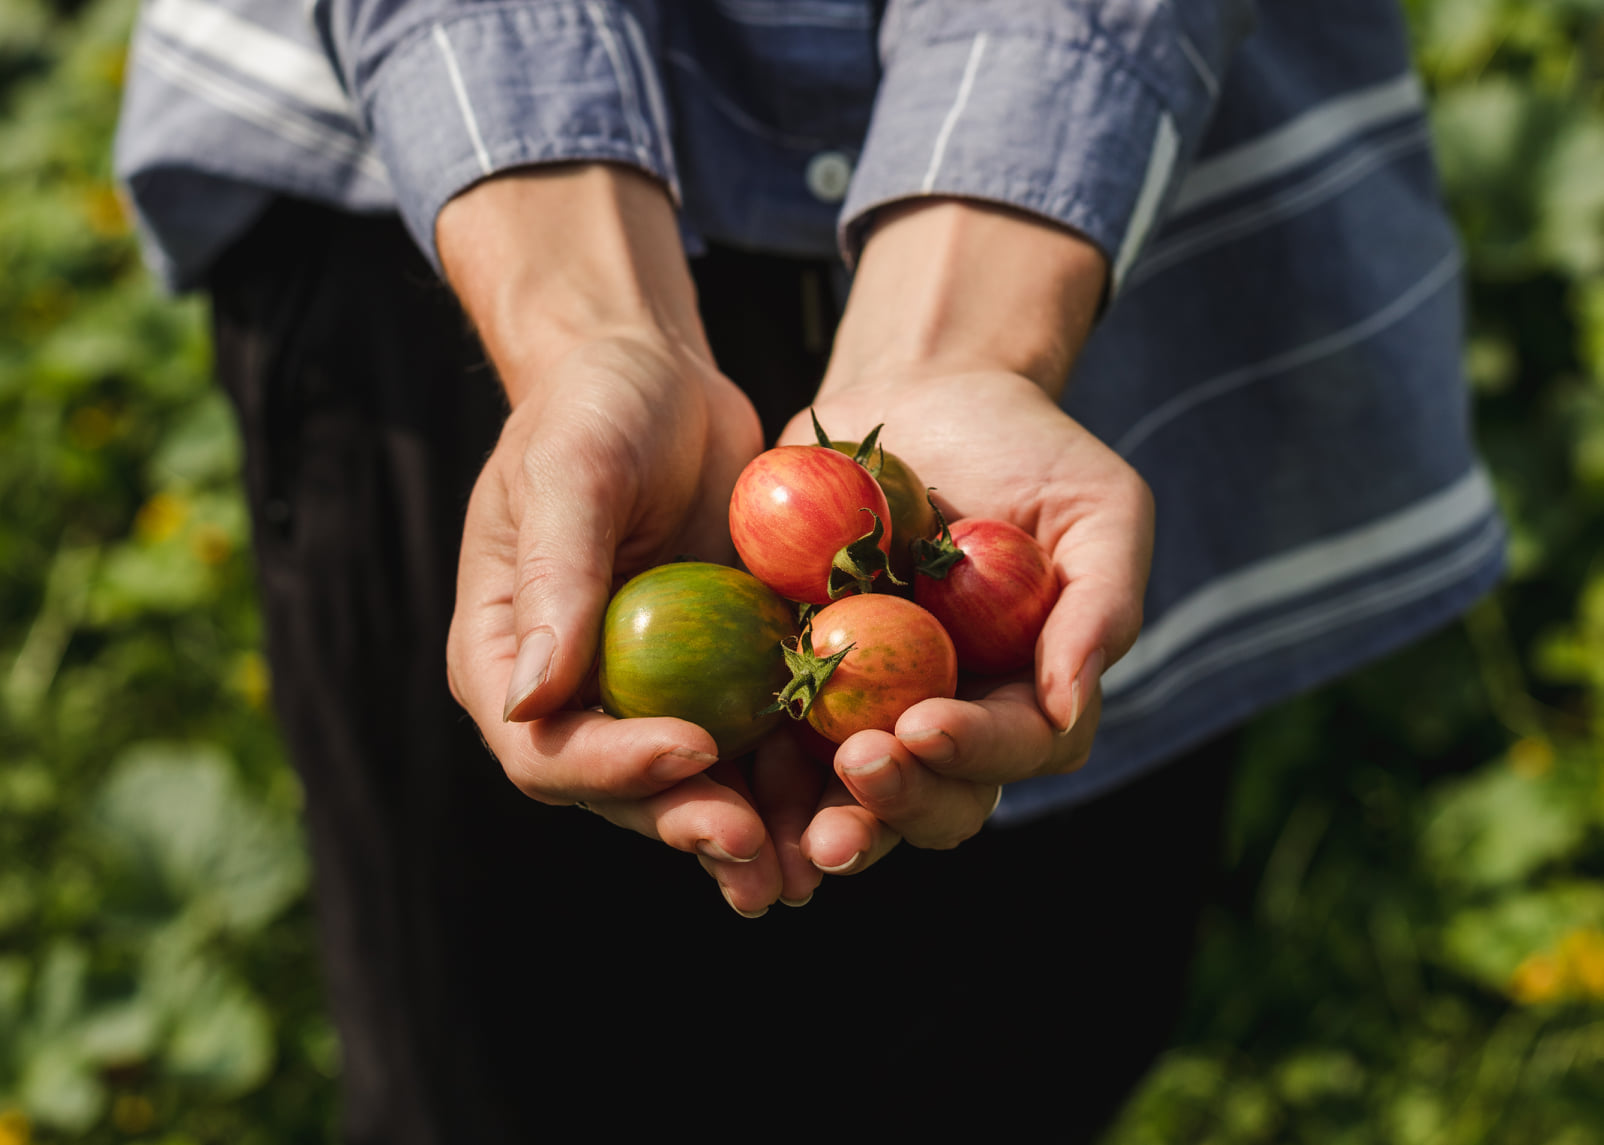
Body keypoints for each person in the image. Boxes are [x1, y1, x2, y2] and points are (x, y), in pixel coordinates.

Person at [116, 0, 1505, 1139]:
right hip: (432, 229)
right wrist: (594, 324)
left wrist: (962, 332)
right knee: (491, 1081)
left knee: (1012, 1065)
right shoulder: (841, 567)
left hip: (1120, 248)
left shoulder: (886, 552)